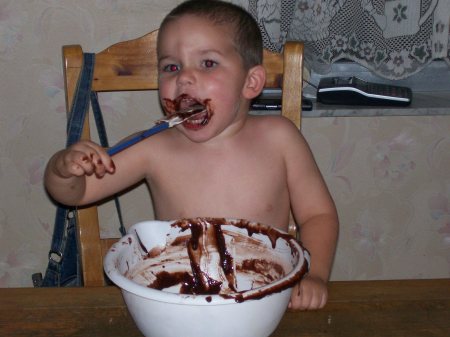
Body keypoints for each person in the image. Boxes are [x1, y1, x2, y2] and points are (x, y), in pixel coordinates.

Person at [44, 0, 338, 310]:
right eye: (171, 67)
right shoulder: (155, 148)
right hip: (180, 304)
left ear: (250, 82)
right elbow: (77, 194)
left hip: (263, 301)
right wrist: (63, 170)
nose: (183, 78)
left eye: (207, 63)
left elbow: (318, 215)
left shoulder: (281, 138)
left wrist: (315, 275)